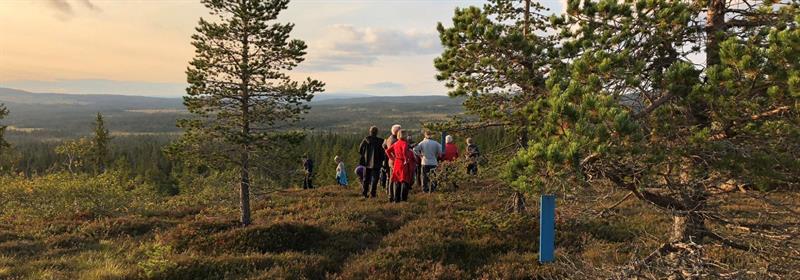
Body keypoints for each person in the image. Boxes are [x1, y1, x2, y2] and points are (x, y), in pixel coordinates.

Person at [385, 129, 416, 202]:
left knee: (397, 181)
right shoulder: (404, 143)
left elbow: (387, 151)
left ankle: (396, 199)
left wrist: (392, 158)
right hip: (403, 163)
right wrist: (406, 159)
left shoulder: (396, 143)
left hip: (397, 162)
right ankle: (403, 199)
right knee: (404, 181)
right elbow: (404, 152)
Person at [358, 126, 385, 198]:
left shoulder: (365, 140)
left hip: (366, 162)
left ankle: (364, 193)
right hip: (377, 163)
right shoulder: (380, 141)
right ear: (377, 133)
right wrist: (382, 160)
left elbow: (360, 150)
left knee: (366, 178)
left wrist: (364, 156)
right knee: (375, 179)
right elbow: (383, 152)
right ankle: (373, 193)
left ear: (370, 132)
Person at [381, 124, 401, 196]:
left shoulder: (388, 139)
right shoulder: (395, 141)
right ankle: (393, 195)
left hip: (390, 161)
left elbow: (384, 148)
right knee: (394, 179)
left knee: (390, 178)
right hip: (395, 161)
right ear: (397, 132)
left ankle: (390, 194)